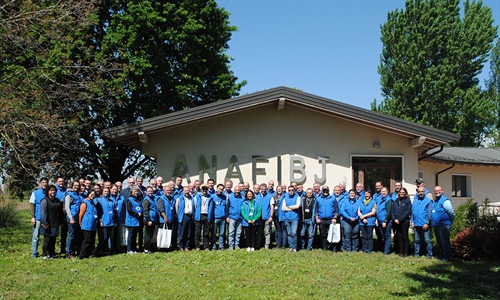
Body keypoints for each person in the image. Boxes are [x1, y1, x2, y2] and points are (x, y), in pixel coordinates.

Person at [40, 185, 64, 259]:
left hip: (55, 223)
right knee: (47, 239)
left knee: (53, 239)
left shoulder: (57, 200)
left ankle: (51, 253)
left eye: (54, 190)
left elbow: (60, 211)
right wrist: (44, 223)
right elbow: (43, 213)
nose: (53, 192)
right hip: (47, 223)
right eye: (51, 190)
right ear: (48, 192)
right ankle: (45, 254)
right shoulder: (44, 200)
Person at [432, 186, 455, 261]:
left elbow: (451, 212)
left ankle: (446, 257)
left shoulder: (445, 200)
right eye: (435, 191)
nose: (437, 192)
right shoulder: (435, 201)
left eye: (438, 190)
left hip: (444, 225)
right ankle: (441, 256)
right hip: (437, 225)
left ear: (442, 191)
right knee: (439, 242)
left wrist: (450, 221)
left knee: (444, 241)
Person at [315, 186, 339, 251]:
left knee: (332, 234)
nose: (325, 192)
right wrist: (317, 219)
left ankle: (333, 247)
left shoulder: (333, 198)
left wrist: (335, 218)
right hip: (322, 220)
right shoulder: (318, 199)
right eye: (324, 190)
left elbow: (336, 209)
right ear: (322, 191)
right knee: (323, 234)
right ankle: (325, 247)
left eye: (326, 190)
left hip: (331, 219)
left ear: (328, 191)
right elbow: (316, 210)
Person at [30, 177, 48, 258]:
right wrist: (33, 216)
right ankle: (34, 253)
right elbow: (32, 205)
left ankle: (46, 252)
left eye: (46, 182)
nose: (44, 184)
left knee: (46, 236)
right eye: (43, 182)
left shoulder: (49, 193)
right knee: (36, 236)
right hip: (38, 218)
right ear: (40, 183)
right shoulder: (35, 193)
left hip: (46, 219)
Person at [412, 186, 432, 258]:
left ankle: (429, 254)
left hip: (424, 224)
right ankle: (416, 254)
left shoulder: (428, 201)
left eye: (422, 191)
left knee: (427, 240)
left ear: (424, 192)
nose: (421, 193)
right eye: (419, 191)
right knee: (416, 240)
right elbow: (413, 212)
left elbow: (429, 213)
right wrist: (412, 221)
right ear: (417, 192)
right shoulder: (415, 201)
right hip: (416, 224)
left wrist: (427, 223)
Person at [64, 180, 82, 259]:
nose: (76, 187)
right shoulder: (69, 195)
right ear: (72, 186)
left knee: (76, 235)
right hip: (72, 217)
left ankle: (73, 250)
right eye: (75, 185)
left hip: (78, 217)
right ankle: (68, 252)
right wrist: (70, 217)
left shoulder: (78, 195)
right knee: (71, 235)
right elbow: (67, 207)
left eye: (77, 185)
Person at [392, 187, 412, 257]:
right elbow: (393, 211)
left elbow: (407, 212)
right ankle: (400, 252)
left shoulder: (407, 201)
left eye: (403, 192)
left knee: (405, 237)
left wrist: (400, 219)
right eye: (400, 192)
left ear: (405, 193)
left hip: (404, 222)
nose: (402, 194)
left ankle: (405, 252)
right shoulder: (396, 201)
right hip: (396, 222)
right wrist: (394, 219)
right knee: (399, 237)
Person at [96, 187, 116, 256]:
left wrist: (115, 221)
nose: (106, 193)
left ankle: (105, 250)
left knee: (107, 237)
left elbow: (114, 211)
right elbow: (98, 212)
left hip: (111, 221)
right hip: (104, 221)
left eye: (107, 191)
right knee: (103, 238)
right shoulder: (99, 200)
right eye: (105, 191)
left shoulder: (111, 200)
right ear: (102, 192)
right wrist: (100, 221)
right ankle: (99, 251)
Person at [194, 185, 214, 251]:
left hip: (207, 215)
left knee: (206, 232)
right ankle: (197, 246)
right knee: (197, 232)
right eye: (203, 189)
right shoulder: (197, 196)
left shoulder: (210, 197)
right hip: (199, 215)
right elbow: (194, 205)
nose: (204, 190)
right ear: (201, 189)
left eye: (206, 189)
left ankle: (206, 246)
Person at [79, 191, 98, 259]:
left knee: (91, 240)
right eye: (91, 194)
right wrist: (80, 222)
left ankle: (88, 253)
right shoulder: (85, 203)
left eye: (94, 195)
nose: (92, 196)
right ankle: (82, 255)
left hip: (93, 225)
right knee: (86, 240)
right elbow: (81, 214)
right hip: (87, 225)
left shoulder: (93, 203)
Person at [157, 185, 176, 250]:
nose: (168, 192)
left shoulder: (172, 198)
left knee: (169, 234)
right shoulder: (161, 199)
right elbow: (161, 209)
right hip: (163, 220)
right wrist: (165, 217)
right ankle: (162, 247)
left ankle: (168, 246)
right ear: (164, 191)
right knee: (163, 233)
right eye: (167, 190)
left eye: (169, 190)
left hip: (171, 219)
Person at [282, 185, 301, 252]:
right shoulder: (285, 198)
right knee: (289, 233)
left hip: (294, 218)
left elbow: (297, 206)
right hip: (287, 218)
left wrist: (288, 207)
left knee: (294, 233)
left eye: (292, 190)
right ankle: (290, 247)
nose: (291, 191)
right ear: (288, 191)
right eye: (289, 190)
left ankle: (295, 247)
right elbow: (283, 208)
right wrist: (292, 208)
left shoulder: (297, 197)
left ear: (294, 190)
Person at [175, 186, 194, 251]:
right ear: (183, 191)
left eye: (187, 190)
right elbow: (176, 209)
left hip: (190, 216)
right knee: (181, 233)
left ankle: (186, 246)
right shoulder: (179, 199)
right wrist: (179, 215)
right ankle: (181, 246)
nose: (187, 192)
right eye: (185, 191)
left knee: (188, 233)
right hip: (183, 216)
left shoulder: (192, 198)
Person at [358, 189, 377, 254]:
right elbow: (358, 211)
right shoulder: (361, 202)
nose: (366, 195)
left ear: (370, 194)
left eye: (368, 194)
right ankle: (364, 249)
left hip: (370, 222)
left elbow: (373, 212)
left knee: (369, 236)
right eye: (365, 194)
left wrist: (364, 216)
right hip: (362, 222)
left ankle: (369, 249)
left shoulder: (373, 202)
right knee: (363, 236)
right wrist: (362, 218)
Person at [125, 187, 143, 254]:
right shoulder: (129, 200)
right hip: (131, 220)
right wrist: (136, 214)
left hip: (136, 221)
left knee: (135, 235)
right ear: (132, 192)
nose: (136, 192)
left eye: (137, 191)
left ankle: (133, 249)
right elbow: (129, 210)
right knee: (131, 235)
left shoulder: (137, 200)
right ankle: (129, 249)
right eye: (135, 191)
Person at [375, 187, 393, 255]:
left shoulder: (389, 200)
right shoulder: (379, 200)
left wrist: (385, 221)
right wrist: (376, 219)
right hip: (379, 221)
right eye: (382, 191)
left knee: (387, 236)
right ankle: (384, 248)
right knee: (382, 236)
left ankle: (387, 251)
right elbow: (378, 210)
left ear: (387, 192)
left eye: (385, 191)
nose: (383, 193)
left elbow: (388, 212)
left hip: (386, 222)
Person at [256, 183, 274, 249]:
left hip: (267, 217)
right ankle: (258, 245)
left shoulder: (270, 196)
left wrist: (271, 216)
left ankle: (267, 245)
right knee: (259, 232)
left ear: (266, 189)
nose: (263, 190)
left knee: (267, 232)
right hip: (259, 217)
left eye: (264, 189)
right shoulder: (257, 196)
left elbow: (272, 207)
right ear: (260, 189)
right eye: (262, 189)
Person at [226, 185, 243, 250]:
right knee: (231, 232)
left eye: (238, 190)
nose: (237, 191)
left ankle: (236, 245)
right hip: (232, 217)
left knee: (238, 232)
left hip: (240, 218)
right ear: (234, 190)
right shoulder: (230, 197)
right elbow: (227, 207)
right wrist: (227, 216)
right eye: (236, 190)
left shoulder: (242, 197)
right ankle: (231, 245)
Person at [142, 186, 158, 254]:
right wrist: (149, 220)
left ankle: (148, 248)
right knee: (148, 235)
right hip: (148, 219)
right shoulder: (146, 200)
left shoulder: (153, 198)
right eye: (149, 191)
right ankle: (145, 249)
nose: (150, 192)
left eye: (151, 191)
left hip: (153, 218)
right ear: (146, 192)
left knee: (151, 235)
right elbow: (145, 211)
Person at [211, 184, 227, 250]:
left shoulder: (224, 197)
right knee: (214, 233)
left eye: (222, 189)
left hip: (223, 218)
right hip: (215, 217)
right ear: (217, 189)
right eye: (219, 189)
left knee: (222, 233)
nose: (220, 190)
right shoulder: (212, 197)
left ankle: (221, 246)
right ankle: (214, 246)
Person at [110, 184, 125, 253]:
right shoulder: (109, 197)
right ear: (110, 190)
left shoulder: (121, 197)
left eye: (115, 189)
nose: (114, 191)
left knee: (119, 234)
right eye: (113, 189)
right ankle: (111, 248)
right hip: (112, 219)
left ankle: (118, 248)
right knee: (112, 235)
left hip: (120, 218)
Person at [55, 177, 67, 254]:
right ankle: (52, 249)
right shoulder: (55, 190)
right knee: (55, 232)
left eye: (62, 181)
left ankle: (63, 248)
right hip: (56, 214)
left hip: (64, 214)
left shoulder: (66, 190)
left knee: (64, 232)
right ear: (56, 182)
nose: (61, 183)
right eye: (60, 181)